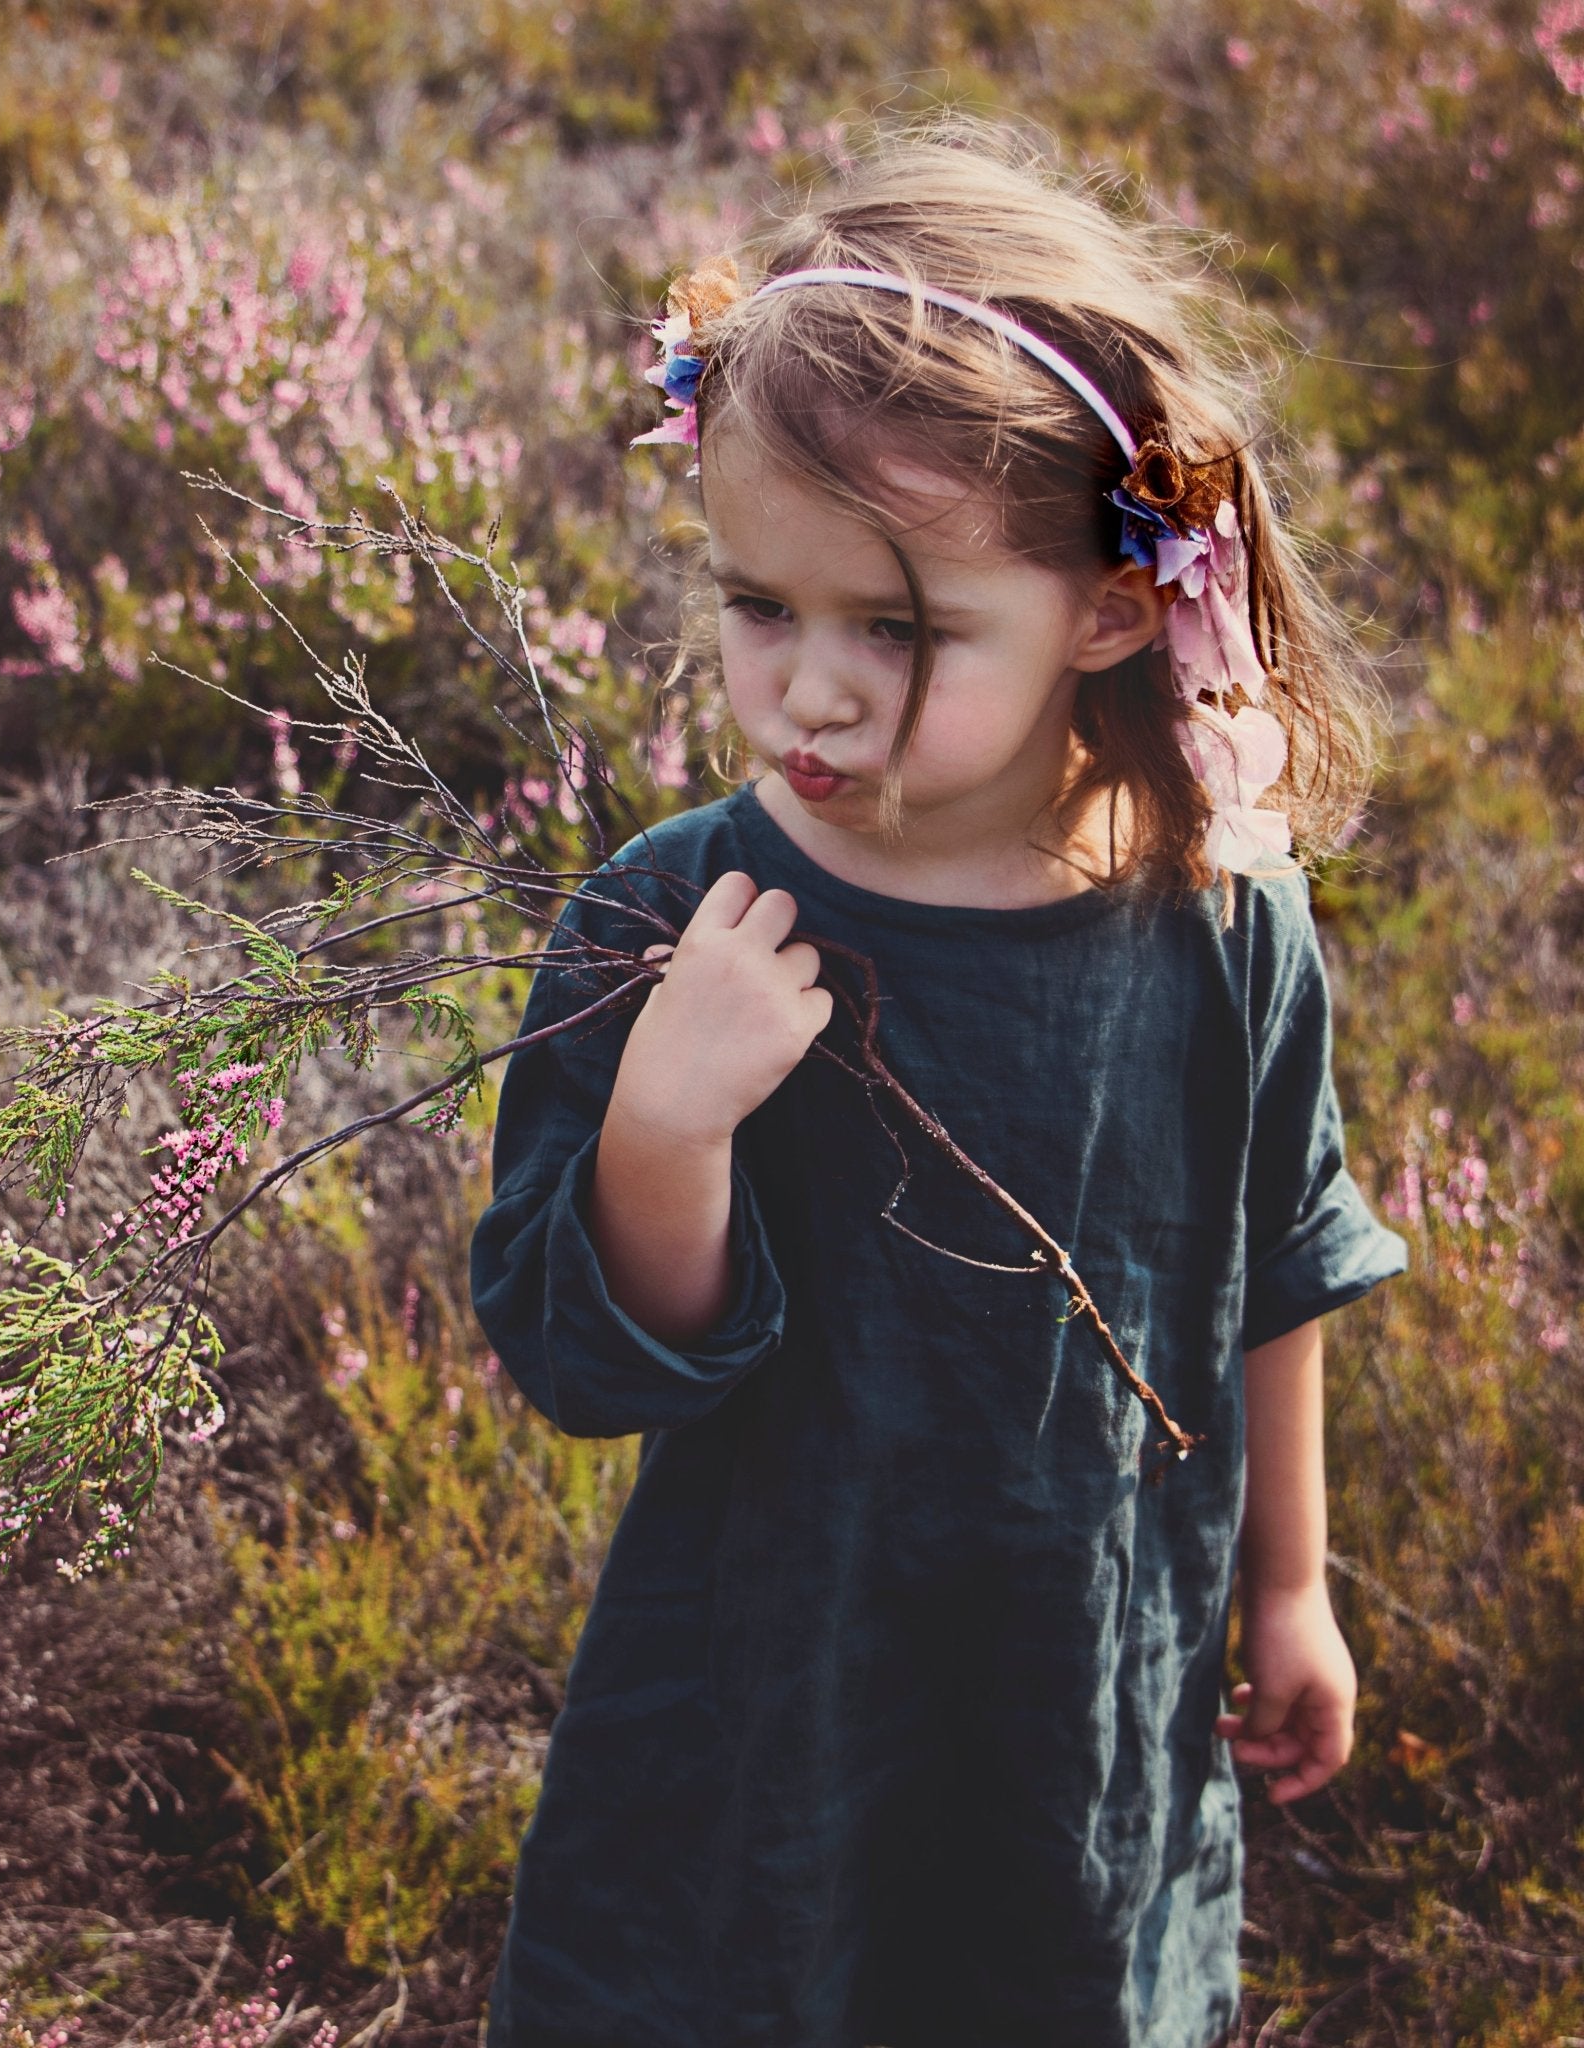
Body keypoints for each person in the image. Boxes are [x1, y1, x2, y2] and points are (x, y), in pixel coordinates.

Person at [466, 117, 1406, 2048]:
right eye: (761, 606)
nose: (811, 688)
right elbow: (587, 1359)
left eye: (900, 630)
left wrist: (1292, 1586)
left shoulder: (1222, 923)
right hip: (764, 1711)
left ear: (1120, 604)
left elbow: (1279, 1265)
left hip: (1085, 1688)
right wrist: (667, 1118)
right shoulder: (680, 909)